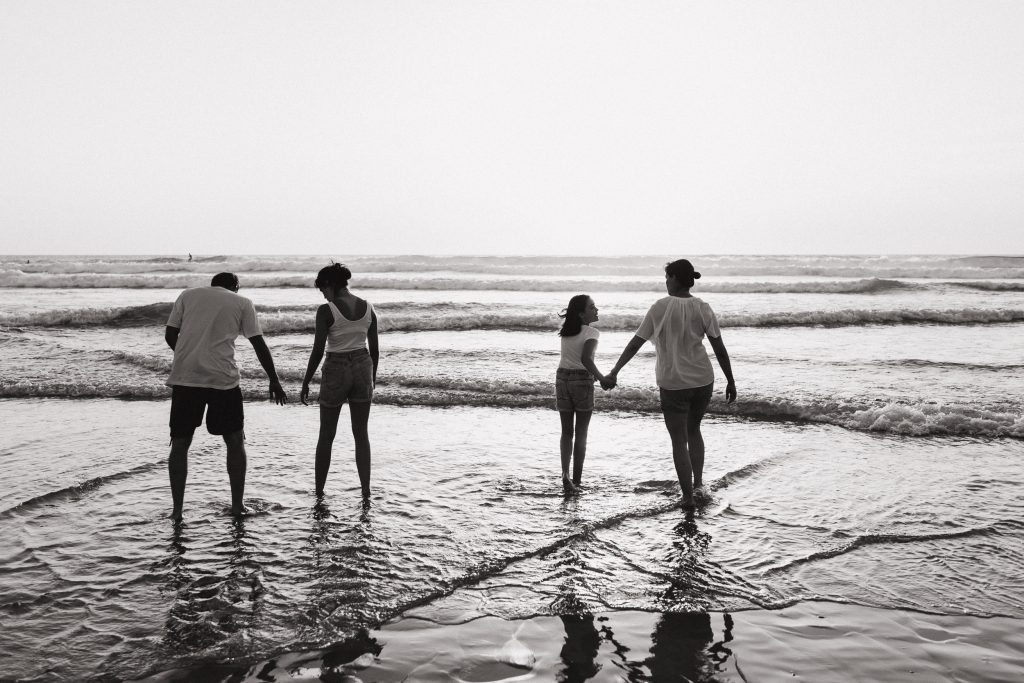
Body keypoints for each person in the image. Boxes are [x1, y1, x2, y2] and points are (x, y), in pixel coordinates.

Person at [607, 259, 735, 509]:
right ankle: (698, 485)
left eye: (667, 277)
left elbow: (636, 343)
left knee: (679, 440)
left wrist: (614, 371)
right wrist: (730, 379)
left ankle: (687, 497)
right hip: (702, 380)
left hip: (673, 382)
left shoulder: (660, 307)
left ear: (675, 278)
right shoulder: (703, 307)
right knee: (694, 430)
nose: (665, 282)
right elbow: (719, 348)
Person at [164, 272, 287, 521]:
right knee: (234, 440)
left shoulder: (187, 295)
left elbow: (170, 334)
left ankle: (177, 511)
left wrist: (189, 356)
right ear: (235, 287)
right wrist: (273, 379)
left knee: (180, 443)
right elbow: (258, 343)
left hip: (185, 378)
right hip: (223, 379)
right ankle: (237, 506)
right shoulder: (241, 303)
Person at [301, 263, 379, 499]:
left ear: (330, 285)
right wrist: (371, 379)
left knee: (326, 435)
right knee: (361, 434)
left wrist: (306, 381)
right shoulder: (368, 308)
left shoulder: (327, 310)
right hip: (363, 366)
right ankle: (365, 491)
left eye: (323, 289)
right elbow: (375, 351)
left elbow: (317, 350)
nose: (323, 294)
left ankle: (319, 492)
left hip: (337, 368)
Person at [556, 294, 613, 493]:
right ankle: (577, 482)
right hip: (581, 381)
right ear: (581, 314)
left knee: (566, 432)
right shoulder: (592, 332)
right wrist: (602, 377)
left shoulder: (566, 331)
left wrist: (594, 374)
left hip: (562, 378)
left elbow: (573, 358)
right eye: (592, 307)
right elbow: (586, 359)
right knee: (581, 434)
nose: (596, 310)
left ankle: (565, 474)